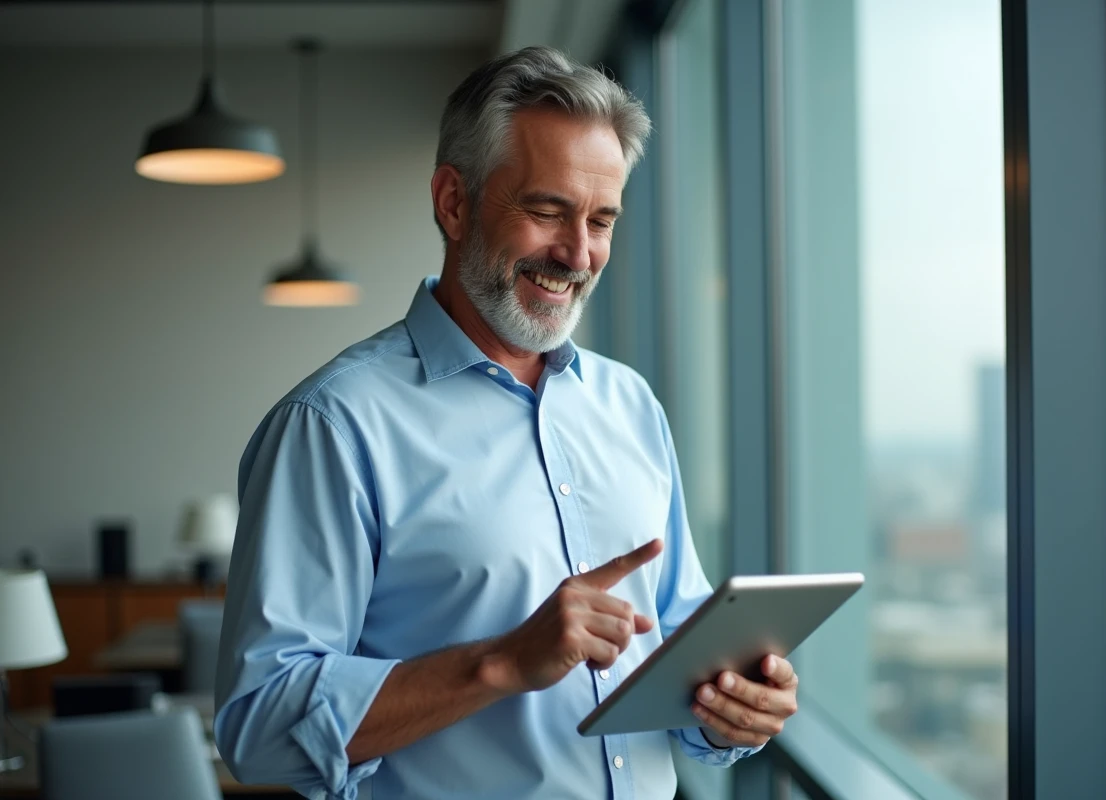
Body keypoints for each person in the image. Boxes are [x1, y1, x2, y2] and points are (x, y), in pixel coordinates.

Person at [214, 46, 798, 800]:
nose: (578, 253)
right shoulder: (332, 425)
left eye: (601, 220)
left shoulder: (630, 405)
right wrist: (500, 663)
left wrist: (732, 707)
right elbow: (260, 728)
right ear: (453, 202)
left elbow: (677, 642)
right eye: (547, 211)